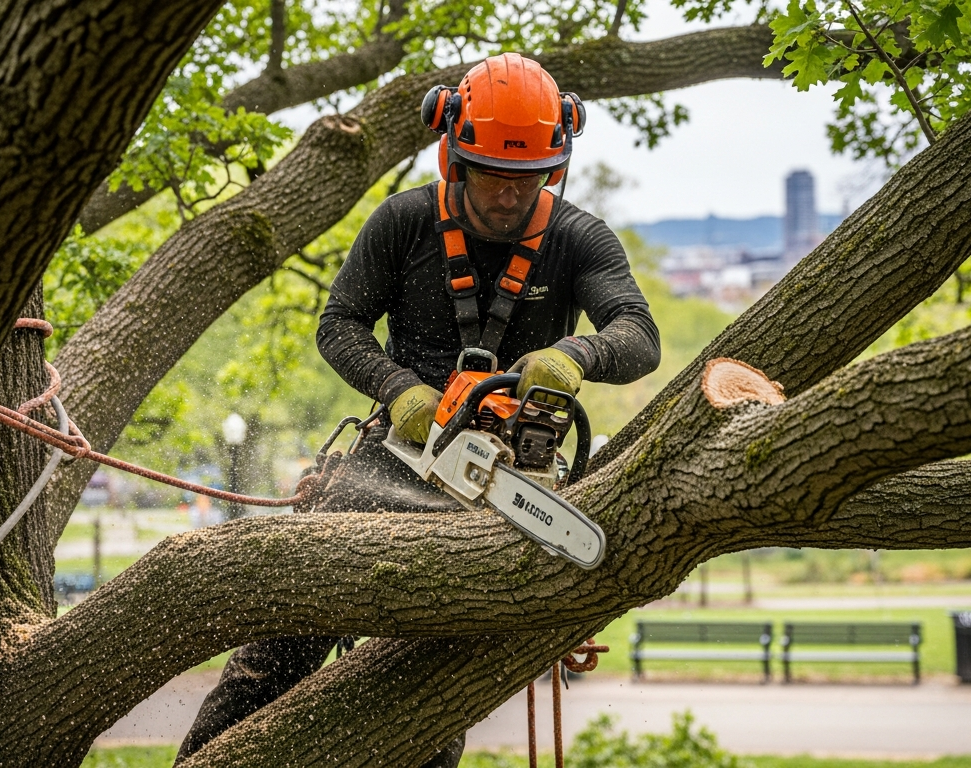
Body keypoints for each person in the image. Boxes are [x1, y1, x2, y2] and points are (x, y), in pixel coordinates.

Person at [176, 52, 660, 766]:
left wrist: (575, 358)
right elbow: (339, 324)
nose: (507, 194)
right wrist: (398, 388)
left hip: (509, 485)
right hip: (393, 458)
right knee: (277, 649)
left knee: (425, 698)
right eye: (492, 173)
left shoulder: (577, 237)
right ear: (453, 150)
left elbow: (638, 333)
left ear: (553, 165)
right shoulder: (405, 222)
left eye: (525, 179)